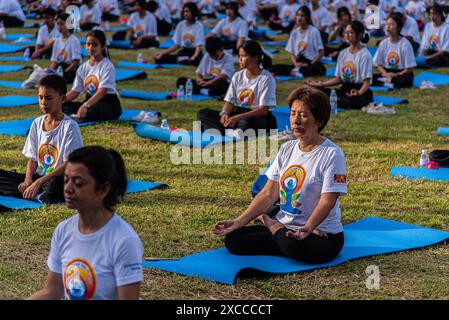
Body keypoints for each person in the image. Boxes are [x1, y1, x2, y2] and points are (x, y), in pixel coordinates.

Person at [214, 87, 346, 264]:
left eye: (304, 115)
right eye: (293, 114)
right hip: (288, 225)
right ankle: (279, 232)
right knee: (234, 240)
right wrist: (239, 221)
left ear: (319, 120)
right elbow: (269, 193)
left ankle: (272, 225)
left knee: (294, 246)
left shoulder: (332, 154)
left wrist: (309, 227)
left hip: (322, 235)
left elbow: (327, 201)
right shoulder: (287, 148)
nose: (296, 121)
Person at [28, 146, 144, 300]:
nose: (68, 189)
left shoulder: (124, 241)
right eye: (66, 180)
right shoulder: (63, 230)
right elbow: (52, 292)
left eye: (78, 183)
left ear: (103, 189)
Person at [0, 75, 83, 209]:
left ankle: (41, 193)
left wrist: (39, 181)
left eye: (48, 98)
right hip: (39, 178)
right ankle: (38, 194)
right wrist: (28, 180)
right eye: (40, 97)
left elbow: (70, 164)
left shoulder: (70, 126)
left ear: (62, 98)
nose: (43, 102)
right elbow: (32, 158)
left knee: (61, 182)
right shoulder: (37, 123)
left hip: (56, 179)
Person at [197, 40, 277, 135]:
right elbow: (229, 102)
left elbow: (263, 110)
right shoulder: (237, 76)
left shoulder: (267, 78)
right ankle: (234, 131)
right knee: (203, 114)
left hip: (256, 117)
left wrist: (237, 118)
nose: (240, 59)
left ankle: (226, 130)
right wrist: (224, 114)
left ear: (255, 58)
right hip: (238, 114)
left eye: (243, 56)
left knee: (247, 123)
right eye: (239, 56)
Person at [306, 20, 373, 109]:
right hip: (345, 89)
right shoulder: (343, 53)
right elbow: (340, 79)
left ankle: (333, 102)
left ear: (360, 35)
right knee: (316, 91)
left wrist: (358, 93)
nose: (347, 35)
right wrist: (321, 84)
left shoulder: (365, 55)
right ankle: (335, 101)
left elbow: (367, 82)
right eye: (346, 33)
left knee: (353, 101)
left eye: (351, 33)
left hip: (359, 91)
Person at [63, 29, 122, 122]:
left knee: (92, 111)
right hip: (90, 100)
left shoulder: (107, 66)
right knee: (63, 106)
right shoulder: (83, 67)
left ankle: (78, 116)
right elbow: (75, 92)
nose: (90, 48)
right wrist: (59, 101)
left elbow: (101, 92)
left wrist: (85, 106)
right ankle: (77, 116)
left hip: (107, 103)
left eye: (94, 45)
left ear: (102, 47)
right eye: (88, 44)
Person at [270, 6, 326, 77]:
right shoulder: (294, 32)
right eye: (298, 15)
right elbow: (293, 54)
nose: (299, 18)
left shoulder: (314, 31)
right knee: (275, 67)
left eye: (302, 15)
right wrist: (296, 64)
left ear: (307, 17)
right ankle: (297, 71)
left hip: (311, 63)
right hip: (298, 62)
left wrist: (310, 64)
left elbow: (321, 53)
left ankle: (295, 72)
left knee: (316, 70)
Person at [372, 12, 416, 88]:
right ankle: (389, 81)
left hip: (401, 73)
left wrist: (396, 75)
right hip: (387, 72)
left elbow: (409, 68)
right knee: (370, 77)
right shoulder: (383, 43)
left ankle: (388, 82)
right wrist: (386, 74)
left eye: (392, 25)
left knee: (407, 78)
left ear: (399, 28)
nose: (388, 27)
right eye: (387, 24)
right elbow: (379, 64)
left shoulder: (405, 44)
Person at [48, 13, 82, 84]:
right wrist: (49, 70)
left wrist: (64, 72)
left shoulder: (74, 40)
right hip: (59, 68)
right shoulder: (57, 41)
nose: (59, 27)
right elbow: (54, 62)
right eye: (58, 24)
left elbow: (76, 62)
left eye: (62, 24)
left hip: (71, 70)